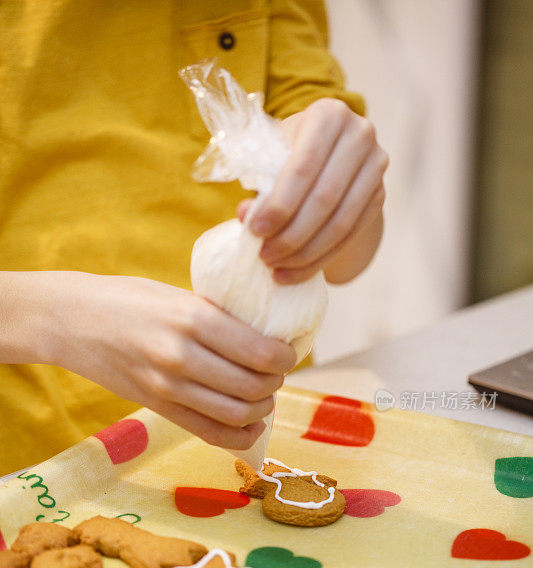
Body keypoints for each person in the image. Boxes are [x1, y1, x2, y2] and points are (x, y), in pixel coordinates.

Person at [0, 1, 388, 476]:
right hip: (35, 471)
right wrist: (55, 320)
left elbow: (349, 261)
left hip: (282, 440)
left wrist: (337, 189)